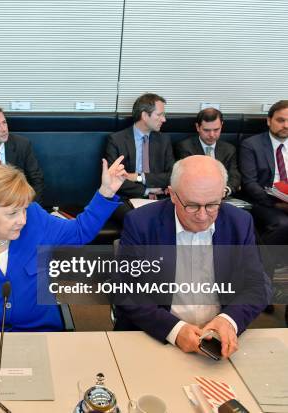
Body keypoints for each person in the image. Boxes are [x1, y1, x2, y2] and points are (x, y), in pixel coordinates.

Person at [0, 157, 127, 332]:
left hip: (40, 333)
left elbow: (80, 232)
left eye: (24, 209)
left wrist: (106, 192)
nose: (23, 220)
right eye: (12, 213)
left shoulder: (36, 218)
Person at [114, 156, 269, 358]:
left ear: (223, 194)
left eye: (212, 204)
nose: (203, 216)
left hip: (218, 341)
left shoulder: (240, 222)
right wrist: (175, 330)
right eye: (192, 206)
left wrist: (228, 320)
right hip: (155, 335)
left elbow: (257, 285)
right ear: (172, 195)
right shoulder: (141, 223)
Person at [240, 100, 288, 323]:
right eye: (281, 120)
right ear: (269, 120)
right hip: (265, 204)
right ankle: (264, 287)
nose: (286, 125)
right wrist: (277, 202)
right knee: (282, 226)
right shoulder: (252, 144)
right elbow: (249, 184)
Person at [105, 93, 174, 221]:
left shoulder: (164, 140)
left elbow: (172, 176)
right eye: (159, 115)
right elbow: (114, 179)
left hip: (160, 199)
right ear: (144, 115)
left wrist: (139, 177)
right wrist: (147, 190)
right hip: (126, 199)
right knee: (139, 220)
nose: (164, 120)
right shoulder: (117, 140)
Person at [175, 108, 240, 197]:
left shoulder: (229, 149)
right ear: (198, 127)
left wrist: (225, 190)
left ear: (222, 125)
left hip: (222, 196)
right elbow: (187, 178)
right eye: (207, 130)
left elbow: (234, 176)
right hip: (196, 195)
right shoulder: (185, 147)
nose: (212, 135)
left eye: (216, 129)